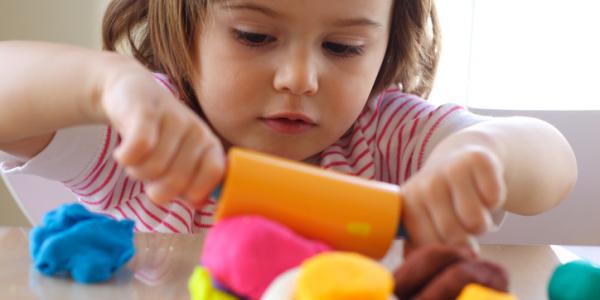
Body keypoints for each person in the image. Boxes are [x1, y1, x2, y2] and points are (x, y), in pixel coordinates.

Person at [0, 0, 577, 248]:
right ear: (185, 25)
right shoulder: (147, 134)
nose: (300, 78)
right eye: (255, 36)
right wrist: (106, 85)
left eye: (343, 46)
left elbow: (554, 162)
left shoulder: (387, 136)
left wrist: (482, 154)